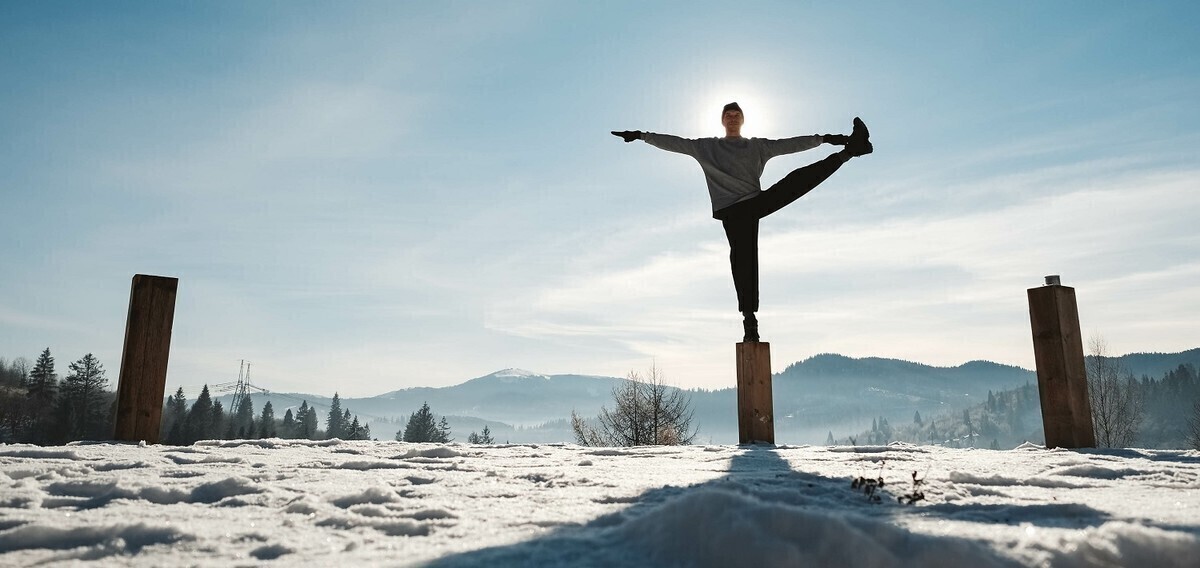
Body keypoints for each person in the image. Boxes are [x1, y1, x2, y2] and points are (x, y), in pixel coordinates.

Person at [612, 102, 872, 342]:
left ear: (743, 120)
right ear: (722, 121)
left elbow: (790, 144)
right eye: (728, 114)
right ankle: (749, 320)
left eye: (737, 115)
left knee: (793, 183)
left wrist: (826, 139)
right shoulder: (705, 147)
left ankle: (850, 151)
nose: (733, 117)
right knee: (743, 258)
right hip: (732, 211)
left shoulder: (757, 146)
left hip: (755, 203)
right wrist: (641, 135)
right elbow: (674, 142)